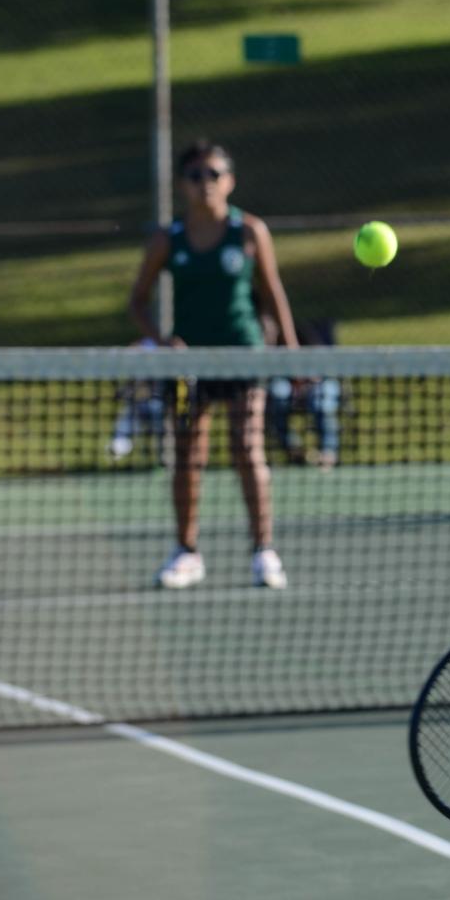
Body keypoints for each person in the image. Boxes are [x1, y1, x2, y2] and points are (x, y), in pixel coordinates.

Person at [128, 141, 298, 590]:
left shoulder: (249, 231)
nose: (206, 183)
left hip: (243, 355)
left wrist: (297, 355)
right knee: (188, 455)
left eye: (214, 174)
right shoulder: (169, 239)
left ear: (230, 181)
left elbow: (274, 294)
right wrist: (164, 342)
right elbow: (137, 301)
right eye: (196, 176)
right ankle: (187, 552)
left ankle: (264, 551)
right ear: (183, 184)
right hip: (190, 366)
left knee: (247, 447)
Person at [263, 317, 342, 469]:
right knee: (277, 395)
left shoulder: (313, 331)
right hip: (288, 384)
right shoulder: (272, 336)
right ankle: (294, 451)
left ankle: (328, 454)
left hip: (318, 382)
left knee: (321, 400)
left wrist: (309, 379)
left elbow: (326, 364)